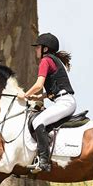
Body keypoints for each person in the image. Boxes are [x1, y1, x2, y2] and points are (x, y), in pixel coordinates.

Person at [17, 33, 76, 173]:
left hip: (64, 102)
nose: (35, 50)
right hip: (63, 101)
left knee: (38, 122)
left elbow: (38, 84)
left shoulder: (46, 60)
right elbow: (54, 89)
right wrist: (39, 96)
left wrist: (25, 95)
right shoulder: (53, 60)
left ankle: (44, 161)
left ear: (45, 49)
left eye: (37, 47)